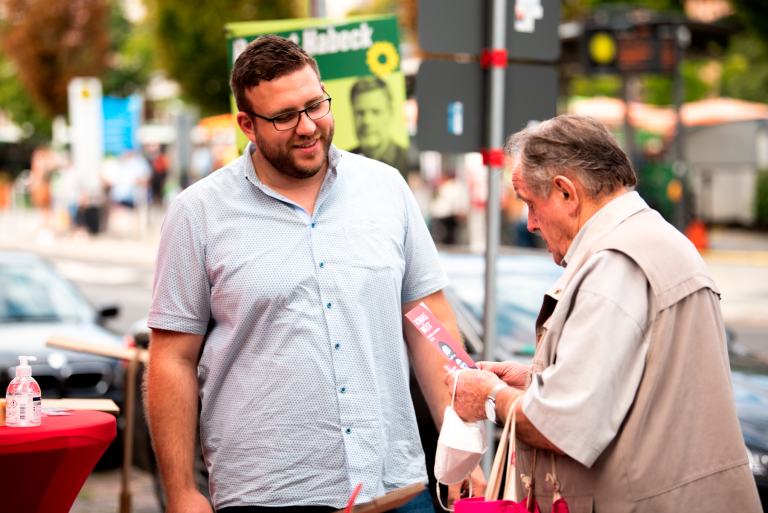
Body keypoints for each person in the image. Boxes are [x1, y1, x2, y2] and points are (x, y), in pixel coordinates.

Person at [146, 35, 485, 513]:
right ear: (247, 124)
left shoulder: (386, 187)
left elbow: (429, 321)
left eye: (316, 106)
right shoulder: (198, 213)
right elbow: (171, 360)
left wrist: (462, 449)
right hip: (269, 497)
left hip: (397, 487)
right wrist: (181, 492)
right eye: (285, 116)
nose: (307, 127)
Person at [446, 115, 762, 512]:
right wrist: (536, 382)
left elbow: (562, 427)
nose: (530, 224)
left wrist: (490, 398)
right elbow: (643, 384)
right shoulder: (658, 239)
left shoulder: (614, 262)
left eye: (530, 203)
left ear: (565, 193)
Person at [348, 76, 408, 181]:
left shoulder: (408, 160)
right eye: (360, 113)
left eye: (376, 112)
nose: (367, 121)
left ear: (391, 113)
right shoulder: (342, 165)